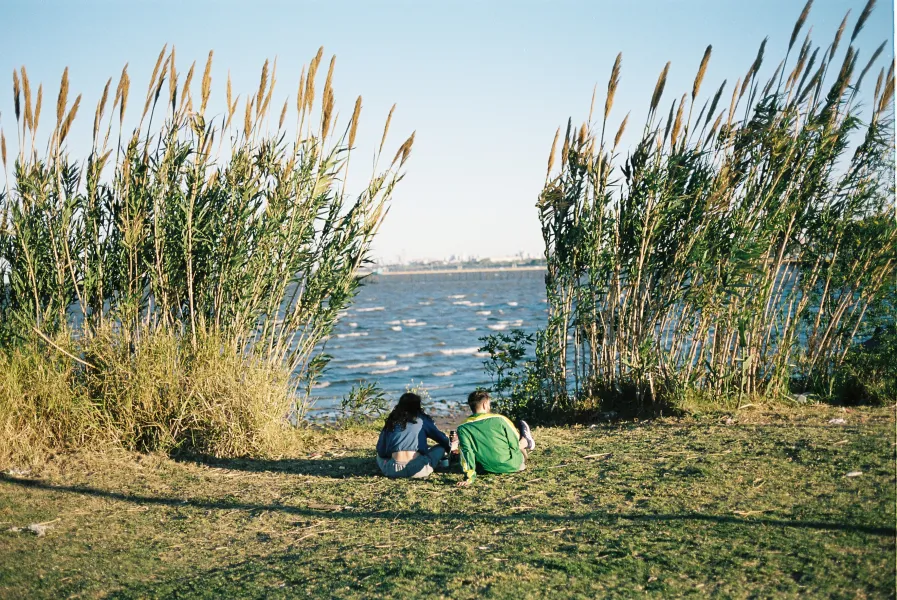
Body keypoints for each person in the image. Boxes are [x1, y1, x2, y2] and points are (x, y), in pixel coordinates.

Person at [456, 390, 536, 487]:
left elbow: (466, 452)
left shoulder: (462, 427)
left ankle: (527, 441)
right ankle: (527, 440)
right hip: (512, 465)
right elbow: (514, 442)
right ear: (485, 404)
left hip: (484, 469)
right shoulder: (500, 419)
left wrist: (469, 478)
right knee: (520, 443)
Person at [376, 392, 452, 479]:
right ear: (418, 406)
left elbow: (381, 450)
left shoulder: (392, 420)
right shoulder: (422, 419)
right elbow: (442, 439)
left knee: (379, 456)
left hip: (393, 470)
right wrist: (450, 445)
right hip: (419, 470)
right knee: (440, 448)